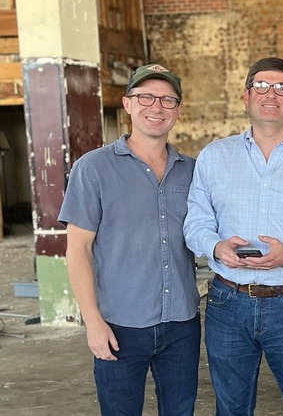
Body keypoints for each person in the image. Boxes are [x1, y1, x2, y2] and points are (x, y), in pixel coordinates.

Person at [183, 57, 283, 416]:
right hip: (228, 301)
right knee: (231, 408)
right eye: (261, 86)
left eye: (282, 87)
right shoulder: (214, 157)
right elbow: (195, 222)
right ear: (246, 96)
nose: (271, 94)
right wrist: (216, 246)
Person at [58, 64, 201, 415]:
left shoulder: (194, 170)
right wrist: (92, 321)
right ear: (127, 104)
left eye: (168, 99)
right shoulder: (93, 168)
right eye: (146, 97)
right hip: (119, 326)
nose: (157, 107)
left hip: (182, 323)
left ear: (178, 110)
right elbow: (77, 250)